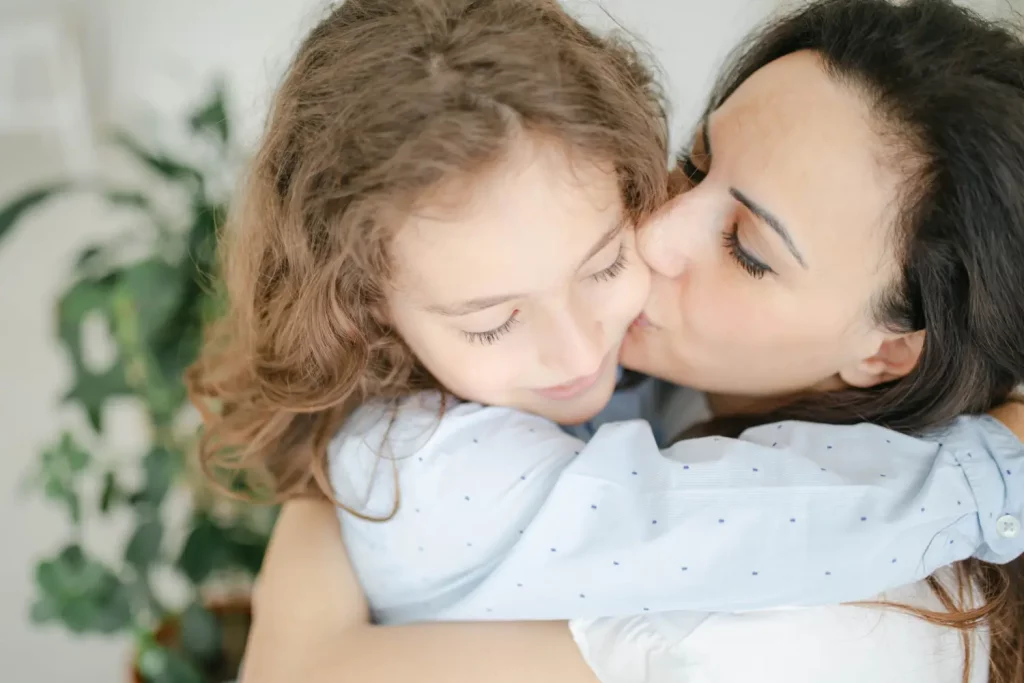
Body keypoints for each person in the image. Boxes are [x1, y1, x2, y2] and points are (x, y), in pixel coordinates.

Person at [185, 0, 1024, 681]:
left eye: (747, 248)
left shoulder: (833, 628)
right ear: (364, 311)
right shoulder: (425, 457)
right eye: (692, 166)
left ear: (887, 349)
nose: (656, 238)